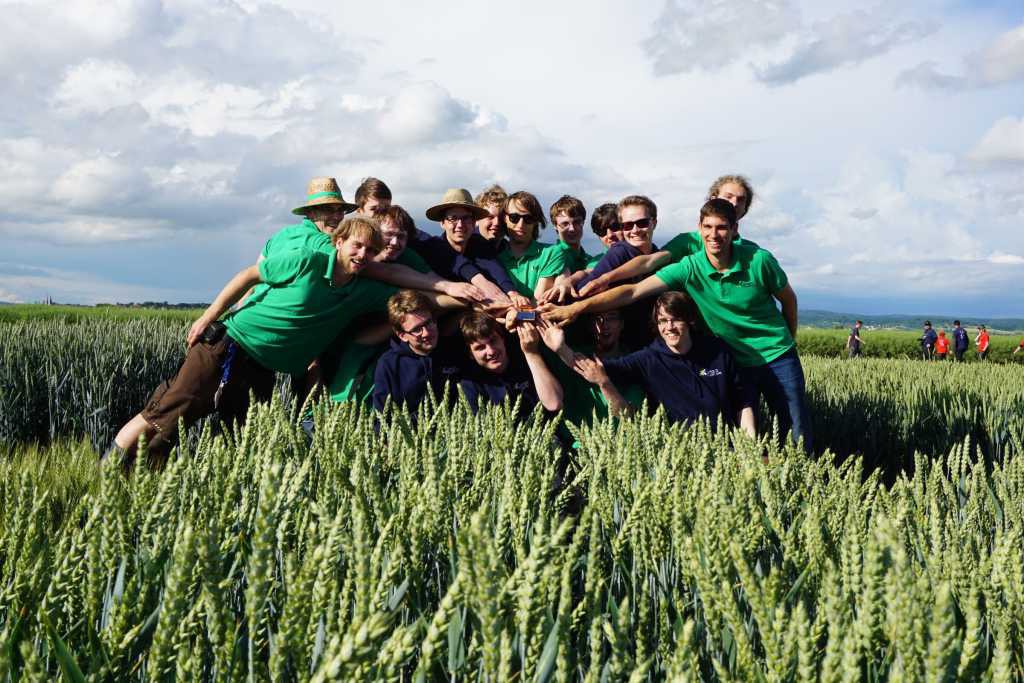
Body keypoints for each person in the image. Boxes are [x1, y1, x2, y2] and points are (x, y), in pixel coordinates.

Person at [105, 216, 387, 468]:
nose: (363, 254)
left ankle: (146, 485)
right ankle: (103, 473)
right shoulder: (306, 259)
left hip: (261, 370)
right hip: (226, 347)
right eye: (357, 245)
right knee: (165, 415)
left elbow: (405, 293)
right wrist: (208, 316)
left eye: (371, 250)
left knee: (245, 437)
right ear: (339, 241)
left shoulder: (363, 290)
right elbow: (249, 275)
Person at [540, 198, 810, 450]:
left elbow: (789, 300)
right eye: (708, 227)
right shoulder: (689, 266)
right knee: (751, 422)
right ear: (699, 229)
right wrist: (577, 307)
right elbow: (633, 291)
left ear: (734, 229)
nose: (714, 235)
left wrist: (788, 342)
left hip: (776, 356)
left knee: (795, 430)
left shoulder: (758, 260)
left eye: (721, 228)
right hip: (735, 356)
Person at [565, 292, 756, 434]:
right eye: (663, 321)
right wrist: (560, 348)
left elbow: (743, 401)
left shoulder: (716, 350)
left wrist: (749, 449)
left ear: (690, 320)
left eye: (676, 320)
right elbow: (594, 368)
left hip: (727, 448)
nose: (669, 327)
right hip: (679, 455)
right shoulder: (648, 359)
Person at [578, 174, 757, 297]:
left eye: (741, 200)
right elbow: (650, 261)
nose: (734, 203)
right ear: (712, 199)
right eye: (728, 196)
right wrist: (601, 278)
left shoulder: (754, 252)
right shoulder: (687, 242)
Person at [410, 188, 530, 308]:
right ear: (442, 223)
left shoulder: (480, 247)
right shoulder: (430, 249)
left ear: (473, 222)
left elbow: (495, 269)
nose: (460, 225)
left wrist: (512, 293)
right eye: (453, 218)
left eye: (466, 218)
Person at [457, 311, 563, 417]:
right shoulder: (470, 383)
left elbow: (554, 403)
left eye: (493, 341)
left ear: (502, 338)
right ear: (471, 354)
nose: (491, 351)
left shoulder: (526, 355)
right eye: (480, 348)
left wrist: (517, 314)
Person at [372, 290, 462, 415]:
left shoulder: (454, 350)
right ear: (402, 335)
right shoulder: (389, 364)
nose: (426, 333)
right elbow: (381, 414)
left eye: (428, 323)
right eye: (417, 329)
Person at [496, 191, 570, 300]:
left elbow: (539, 302)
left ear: (536, 221)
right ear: (504, 218)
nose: (521, 224)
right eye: (514, 217)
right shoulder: (493, 255)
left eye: (528, 218)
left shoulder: (551, 253)